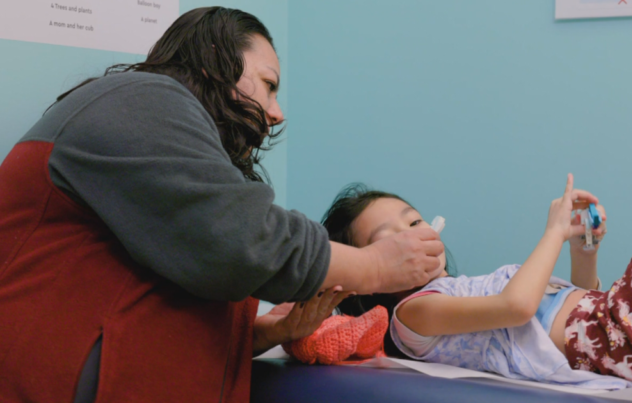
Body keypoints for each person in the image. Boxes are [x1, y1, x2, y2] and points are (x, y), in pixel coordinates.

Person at [0, 7, 444, 403]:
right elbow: (244, 240)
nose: (277, 113)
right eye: (268, 85)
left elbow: (160, 304)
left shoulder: (168, 158)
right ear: (216, 57)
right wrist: (376, 268)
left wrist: (264, 332)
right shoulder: (141, 99)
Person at [325, 138, 632, 398]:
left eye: (415, 219)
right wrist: (552, 232)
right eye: (389, 238)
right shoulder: (412, 316)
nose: (413, 233)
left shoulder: (462, 287)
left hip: (617, 330)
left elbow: (569, 306)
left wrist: (583, 250)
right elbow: (518, 307)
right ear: (366, 274)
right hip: (621, 340)